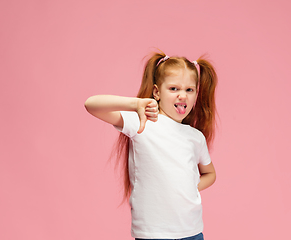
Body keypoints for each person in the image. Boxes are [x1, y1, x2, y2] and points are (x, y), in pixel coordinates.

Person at [85, 51, 218, 240]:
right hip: (154, 233)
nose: (183, 96)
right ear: (157, 92)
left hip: (192, 230)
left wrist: (188, 185)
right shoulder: (143, 122)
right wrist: (135, 104)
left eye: (189, 90)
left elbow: (210, 174)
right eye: (174, 88)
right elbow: (91, 104)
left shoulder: (195, 137)